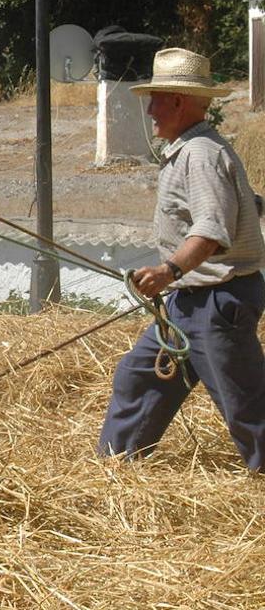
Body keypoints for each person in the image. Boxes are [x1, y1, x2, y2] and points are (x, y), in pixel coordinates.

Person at [97, 46, 265, 469]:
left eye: (155, 99)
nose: (150, 109)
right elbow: (233, 207)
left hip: (216, 303)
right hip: (188, 302)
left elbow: (211, 230)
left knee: (246, 407)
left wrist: (169, 269)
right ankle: (116, 468)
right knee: (138, 378)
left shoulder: (200, 155)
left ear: (177, 100)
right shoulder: (194, 150)